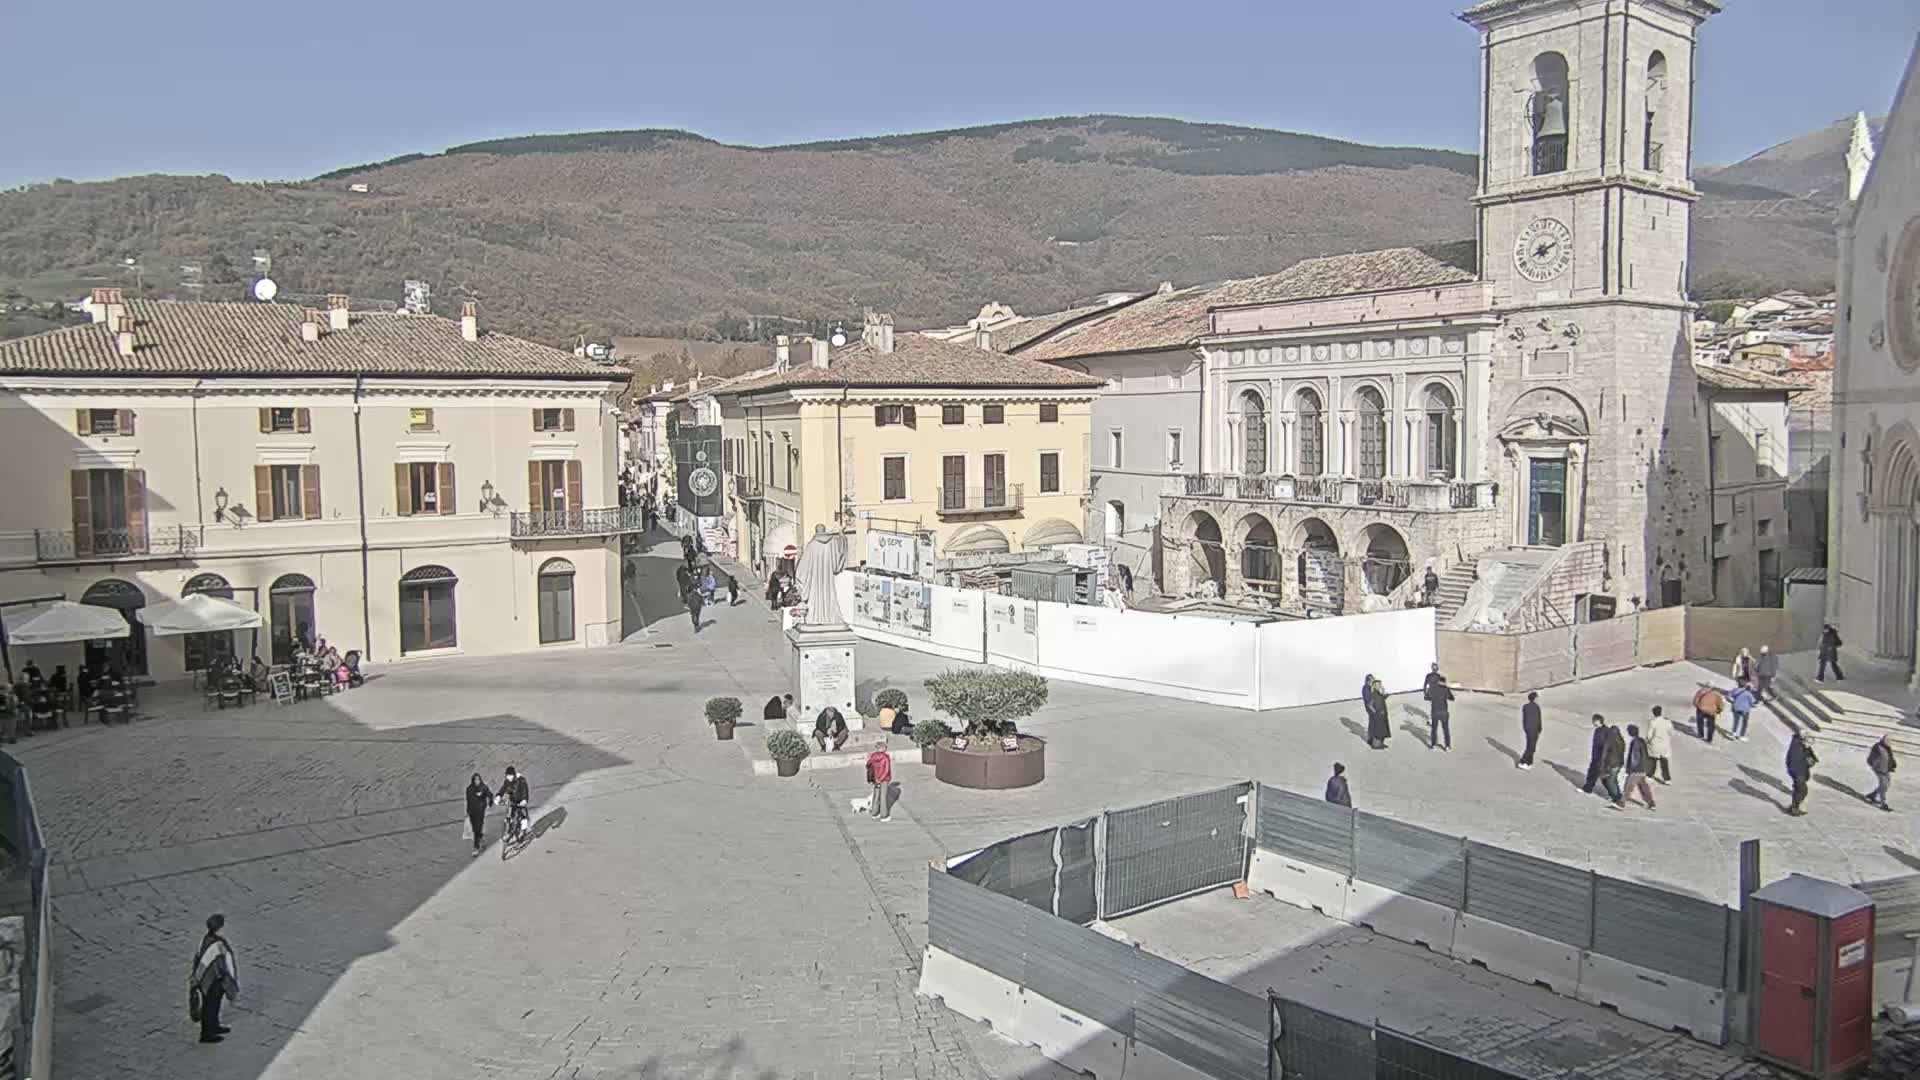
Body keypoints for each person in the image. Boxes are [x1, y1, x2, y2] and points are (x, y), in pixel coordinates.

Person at [190, 914, 239, 1043]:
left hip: (206, 978)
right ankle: (206, 1034)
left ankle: (215, 1026)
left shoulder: (205, 940)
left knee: (214, 1005)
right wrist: (229, 979)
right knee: (209, 1007)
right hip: (214, 981)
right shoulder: (217, 944)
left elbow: (198, 958)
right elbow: (224, 962)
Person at [1623, 723, 1656, 810]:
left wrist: (1631, 769)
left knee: (1629, 785)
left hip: (1637, 768)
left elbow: (1635, 757)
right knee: (1643, 786)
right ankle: (1651, 803)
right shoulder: (1641, 740)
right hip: (1643, 767)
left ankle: (1621, 802)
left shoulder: (1635, 742)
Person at [1785, 731, 1818, 815]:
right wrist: (1808, 764)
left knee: (1798, 789)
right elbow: (1796, 762)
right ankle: (1794, 808)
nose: (1810, 745)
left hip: (1799, 772)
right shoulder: (1796, 749)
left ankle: (1793, 807)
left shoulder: (1801, 745)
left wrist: (1812, 760)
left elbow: (1808, 754)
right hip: (1797, 772)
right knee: (1803, 790)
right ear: (1804, 740)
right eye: (1809, 743)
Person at [496, 766, 530, 837]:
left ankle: (523, 830)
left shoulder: (521, 780)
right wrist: (498, 796)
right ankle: (508, 828)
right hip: (512, 800)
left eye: (511, 775)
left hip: (520, 801)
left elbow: (525, 790)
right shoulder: (507, 781)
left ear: (514, 775)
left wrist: (524, 800)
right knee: (510, 813)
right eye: (508, 776)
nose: (509, 777)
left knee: (522, 815)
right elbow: (503, 789)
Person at [1600, 716, 1627, 808]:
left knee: (1609, 781)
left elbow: (1604, 754)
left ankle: (1617, 800)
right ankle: (1617, 796)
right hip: (1618, 764)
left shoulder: (1609, 741)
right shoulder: (1621, 741)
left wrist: (1602, 766)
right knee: (1613, 780)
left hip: (1611, 764)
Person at [1868, 734, 1898, 811]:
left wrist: (1893, 764)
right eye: (1886, 740)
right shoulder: (1877, 747)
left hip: (1886, 769)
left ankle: (1873, 795)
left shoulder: (1888, 748)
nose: (1888, 742)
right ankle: (1883, 803)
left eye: (1889, 741)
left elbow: (1890, 757)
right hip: (1879, 770)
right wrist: (1874, 765)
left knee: (1887, 785)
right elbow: (1871, 758)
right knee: (1883, 786)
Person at [464, 773, 492, 855]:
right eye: (475, 779)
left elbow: (490, 795)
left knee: (477, 828)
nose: (477, 781)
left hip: (480, 810)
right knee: (475, 829)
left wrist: (490, 802)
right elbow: (468, 801)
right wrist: (468, 811)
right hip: (472, 811)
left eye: (478, 779)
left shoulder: (483, 787)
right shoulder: (469, 789)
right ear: (473, 780)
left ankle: (476, 848)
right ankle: (481, 839)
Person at [865, 740, 893, 822]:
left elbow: (868, 765)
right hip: (883, 780)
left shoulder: (873, 756)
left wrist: (876, 779)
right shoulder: (885, 758)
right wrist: (881, 779)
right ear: (883, 748)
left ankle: (874, 813)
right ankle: (884, 815)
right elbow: (886, 770)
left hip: (875, 779)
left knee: (876, 796)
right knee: (883, 797)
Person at [1425, 674, 1454, 751]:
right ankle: (1447, 746)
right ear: (1444, 682)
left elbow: (1426, 697)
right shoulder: (1446, 689)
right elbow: (1452, 698)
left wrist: (1431, 695)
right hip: (1444, 712)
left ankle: (1433, 745)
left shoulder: (1433, 688)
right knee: (1446, 730)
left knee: (1434, 729)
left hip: (1435, 712)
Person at [1646, 705, 1674, 784]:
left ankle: (1650, 775)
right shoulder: (1667, 722)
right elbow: (1671, 732)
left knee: (1653, 761)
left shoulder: (1652, 722)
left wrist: (1648, 741)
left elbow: (1649, 734)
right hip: (1664, 745)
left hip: (1655, 744)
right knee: (1664, 763)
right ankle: (1667, 779)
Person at [1581, 714, 1608, 794]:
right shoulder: (1598, 730)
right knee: (1592, 773)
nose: (1593, 722)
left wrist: (1603, 757)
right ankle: (1587, 789)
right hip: (1596, 756)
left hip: (1601, 757)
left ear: (1599, 721)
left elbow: (1605, 746)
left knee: (1602, 777)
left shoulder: (1605, 731)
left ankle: (1615, 795)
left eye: (1594, 720)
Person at [1363, 675, 1389, 750]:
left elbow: (1380, 698)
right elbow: (1369, 701)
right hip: (1373, 711)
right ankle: (1373, 742)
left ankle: (1376, 742)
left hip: (1377, 710)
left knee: (1377, 726)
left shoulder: (1373, 689)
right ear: (1368, 680)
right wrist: (1374, 711)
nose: (1373, 681)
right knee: (1375, 726)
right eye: (1372, 680)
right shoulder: (1366, 689)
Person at [1518, 691, 1542, 769]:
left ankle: (1529, 762)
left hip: (1531, 729)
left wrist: (1539, 728)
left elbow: (1538, 719)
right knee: (1531, 747)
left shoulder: (1531, 707)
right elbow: (1537, 719)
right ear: (1534, 698)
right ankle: (1522, 761)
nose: (1538, 699)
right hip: (1532, 729)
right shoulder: (1531, 707)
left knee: (1531, 746)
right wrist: (1539, 728)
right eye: (1537, 697)